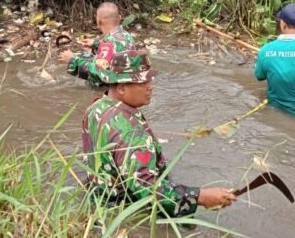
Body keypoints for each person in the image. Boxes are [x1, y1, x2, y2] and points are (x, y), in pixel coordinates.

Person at [82, 49, 236, 216]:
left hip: (100, 201)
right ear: (121, 88)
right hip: (126, 212)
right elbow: (149, 191)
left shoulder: (96, 107)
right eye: (142, 82)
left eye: (150, 80)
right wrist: (200, 196)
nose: (150, 87)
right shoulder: (131, 133)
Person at [57, 2, 135, 87]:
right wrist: (96, 44)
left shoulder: (108, 43)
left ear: (99, 21)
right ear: (119, 18)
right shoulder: (127, 36)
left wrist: (73, 60)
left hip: (110, 89)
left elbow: (100, 75)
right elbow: (116, 50)